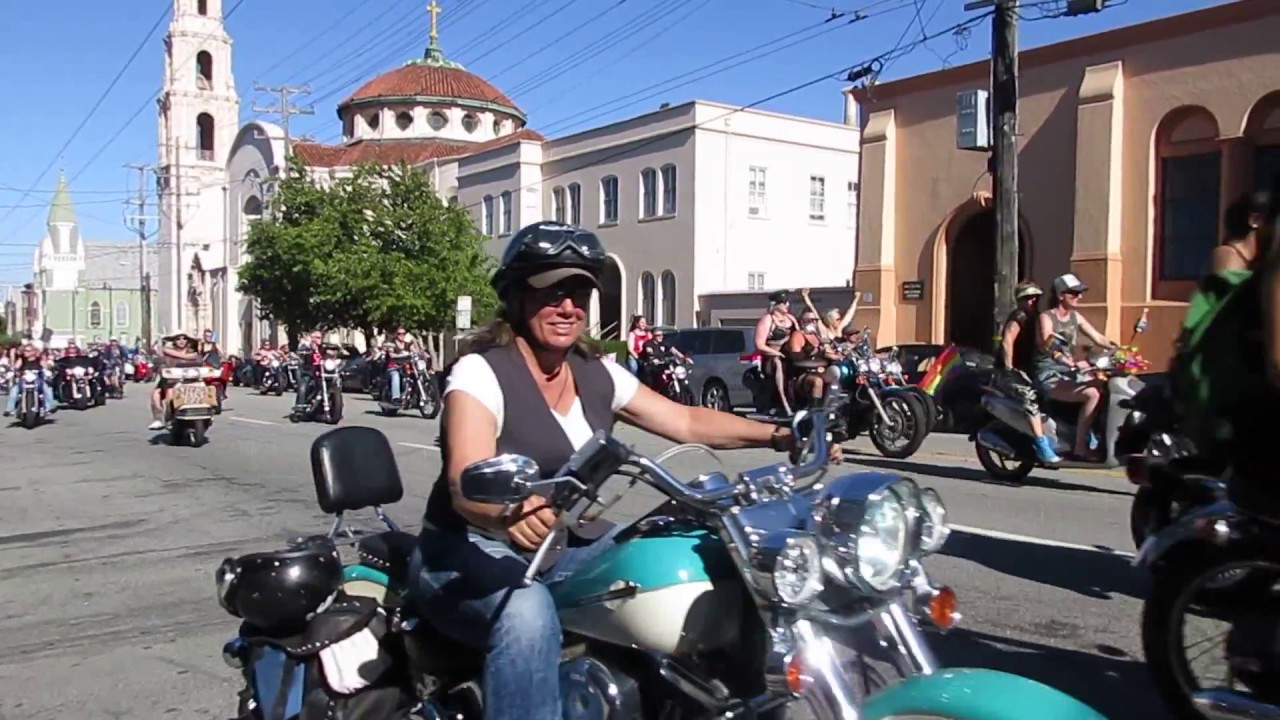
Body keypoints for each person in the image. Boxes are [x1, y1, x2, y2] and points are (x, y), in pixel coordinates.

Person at [409, 221, 838, 720]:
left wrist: (782, 434)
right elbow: (467, 476)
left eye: (579, 293)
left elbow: (686, 419)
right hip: (464, 551)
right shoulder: (482, 372)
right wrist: (507, 510)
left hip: (562, 546)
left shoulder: (596, 372)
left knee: (699, 561)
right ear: (515, 296)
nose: (568, 306)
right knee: (527, 616)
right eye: (552, 292)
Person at [1033, 273, 1117, 460]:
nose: (1079, 296)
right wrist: (1068, 361)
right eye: (1074, 293)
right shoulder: (1047, 317)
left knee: (1102, 385)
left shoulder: (1075, 317)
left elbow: (1098, 337)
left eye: (1080, 293)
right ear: (1060, 295)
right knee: (1092, 393)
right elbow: (1047, 343)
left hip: (1069, 373)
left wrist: (1117, 349)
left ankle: (1095, 438)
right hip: (1049, 373)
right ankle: (1080, 448)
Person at [996, 281, 1062, 464]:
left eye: (1035, 297)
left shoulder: (1040, 317)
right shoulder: (1020, 316)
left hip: (1031, 368)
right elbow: (1007, 341)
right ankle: (1042, 445)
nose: (1032, 301)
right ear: (1019, 300)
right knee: (1029, 399)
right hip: (1014, 369)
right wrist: (1010, 368)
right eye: (1027, 297)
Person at [785, 309, 842, 410]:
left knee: (837, 373)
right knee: (817, 381)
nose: (812, 322)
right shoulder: (798, 335)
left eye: (814, 320)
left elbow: (829, 351)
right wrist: (814, 352)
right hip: (804, 373)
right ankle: (815, 411)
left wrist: (837, 354)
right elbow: (796, 357)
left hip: (821, 370)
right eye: (809, 320)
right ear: (802, 322)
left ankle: (830, 406)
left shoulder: (819, 336)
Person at [754, 290, 797, 416]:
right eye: (783, 303)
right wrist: (776, 353)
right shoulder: (767, 320)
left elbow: (800, 335)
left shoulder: (791, 319)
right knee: (778, 364)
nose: (787, 305)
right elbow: (759, 344)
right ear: (776, 305)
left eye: (787, 302)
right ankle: (784, 403)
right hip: (772, 357)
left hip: (789, 354)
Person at [148, 331, 201, 430]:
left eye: (184, 338)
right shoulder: (167, 352)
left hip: (190, 381)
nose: (181, 341)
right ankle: (161, 419)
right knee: (157, 394)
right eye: (178, 339)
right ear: (174, 341)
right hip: (170, 381)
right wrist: (160, 366)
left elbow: (200, 362)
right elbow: (160, 362)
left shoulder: (193, 353)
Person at [3, 341, 57, 417]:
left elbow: (45, 366)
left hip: (37, 379)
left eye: (27, 351)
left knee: (46, 388)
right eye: (25, 350)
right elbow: (16, 367)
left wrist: (48, 369)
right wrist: (12, 370)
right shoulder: (22, 359)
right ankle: (9, 409)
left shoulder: (39, 359)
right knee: (14, 391)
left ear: (33, 352)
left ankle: (50, 407)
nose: (25, 352)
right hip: (24, 379)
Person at [383, 326, 420, 403]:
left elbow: (415, 351)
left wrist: (415, 341)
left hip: (406, 367)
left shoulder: (407, 344)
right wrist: (401, 355)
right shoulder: (391, 343)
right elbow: (391, 355)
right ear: (396, 334)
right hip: (394, 367)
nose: (402, 335)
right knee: (395, 376)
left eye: (403, 333)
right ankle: (396, 398)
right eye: (399, 333)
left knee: (416, 375)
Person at [294, 330, 323, 409]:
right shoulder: (306, 346)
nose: (318, 340)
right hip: (309, 370)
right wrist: (307, 351)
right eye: (316, 337)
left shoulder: (323, 348)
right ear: (311, 338)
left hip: (322, 371)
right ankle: (299, 406)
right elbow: (300, 351)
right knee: (304, 384)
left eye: (319, 338)